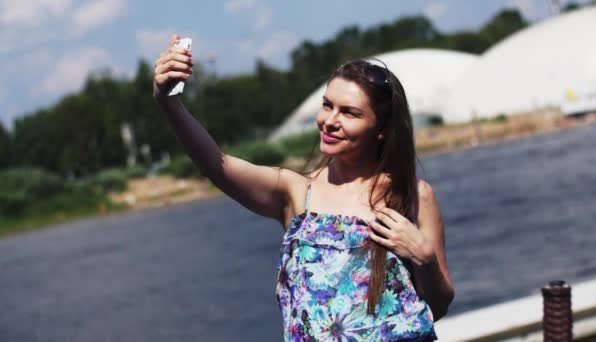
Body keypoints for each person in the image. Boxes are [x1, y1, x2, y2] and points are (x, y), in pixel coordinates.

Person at [153, 34, 454, 341]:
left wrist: (424, 258)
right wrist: (168, 102)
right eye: (327, 106)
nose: (329, 121)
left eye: (349, 112)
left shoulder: (414, 195)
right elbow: (216, 165)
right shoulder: (296, 192)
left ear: (381, 130)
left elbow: (439, 306)